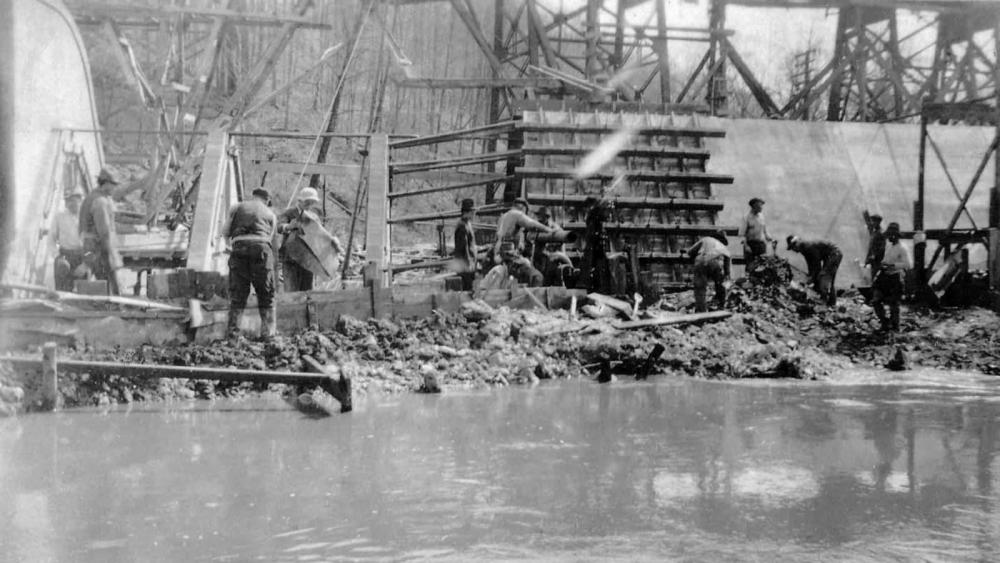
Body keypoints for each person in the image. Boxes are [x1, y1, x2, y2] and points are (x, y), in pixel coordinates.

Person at [222, 188, 278, 339]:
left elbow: (225, 232)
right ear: (267, 200)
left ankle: (233, 335)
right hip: (261, 250)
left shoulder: (236, 207)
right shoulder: (271, 214)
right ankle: (268, 335)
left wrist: (233, 244)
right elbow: (269, 239)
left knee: (238, 294)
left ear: (252, 197)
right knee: (266, 293)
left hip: (239, 248)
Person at [79, 168, 125, 295]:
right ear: (106, 184)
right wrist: (112, 254)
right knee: (110, 282)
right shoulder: (100, 202)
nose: (115, 188)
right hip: (99, 247)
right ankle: (115, 309)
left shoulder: (93, 197)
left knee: (100, 282)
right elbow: (104, 231)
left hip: (90, 246)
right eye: (113, 185)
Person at [277, 187, 323, 292]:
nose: (309, 205)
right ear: (300, 201)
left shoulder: (314, 216)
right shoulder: (289, 213)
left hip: (308, 260)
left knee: (308, 292)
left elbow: (320, 234)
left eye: (312, 203)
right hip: (290, 259)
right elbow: (278, 227)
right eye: (307, 202)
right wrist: (288, 226)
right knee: (291, 291)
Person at [871, 222, 911, 332]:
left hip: (895, 277)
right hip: (884, 276)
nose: (889, 238)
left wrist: (893, 266)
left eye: (891, 235)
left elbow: (908, 264)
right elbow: (884, 260)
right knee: (876, 301)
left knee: (894, 304)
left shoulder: (902, 248)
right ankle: (884, 322)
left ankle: (895, 327)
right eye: (888, 235)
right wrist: (882, 265)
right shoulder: (889, 246)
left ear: (896, 235)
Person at [492, 197, 554, 264]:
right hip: (508, 254)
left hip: (497, 253)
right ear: (523, 207)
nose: (525, 214)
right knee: (528, 265)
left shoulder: (503, 216)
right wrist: (549, 230)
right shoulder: (517, 214)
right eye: (526, 211)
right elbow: (532, 224)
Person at [787, 235, 843, 306]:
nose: (794, 251)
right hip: (831, 254)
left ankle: (824, 301)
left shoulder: (808, 247)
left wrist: (812, 278)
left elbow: (816, 264)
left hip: (834, 254)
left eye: (793, 248)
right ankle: (831, 303)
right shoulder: (803, 249)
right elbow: (810, 263)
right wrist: (811, 276)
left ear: (797, 244)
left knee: (824, 276)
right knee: (826, 277)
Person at [686, 230, 732, 312]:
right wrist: (725, 277)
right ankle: (721, 307)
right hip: (718, 263)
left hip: (702, 260)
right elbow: (727, 271)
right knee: (721, 286)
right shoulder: (725, 248)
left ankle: (701, 311)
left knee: (700, 288)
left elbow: (690, 252)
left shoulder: (706, 239)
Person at [51, 190, 86, 291]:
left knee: (84, 294)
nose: (71, 204)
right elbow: (51, 240)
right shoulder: (59, 217)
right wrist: (58, 256)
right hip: (64, 256)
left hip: (83, 256)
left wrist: (86, 264)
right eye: (68, 201)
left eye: (74, 201)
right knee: (62, 292)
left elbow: (93, 246)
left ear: (81, 201)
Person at [739, 197, 774, 270]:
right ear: (754, 206)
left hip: (761, 245)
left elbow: (765, 231)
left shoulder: (761, 217)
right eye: (760, 206)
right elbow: (742, 235)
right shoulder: (746, 218)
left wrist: (770, 238)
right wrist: (746, 246)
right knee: (750, 266)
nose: (761, 208)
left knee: (762, 266)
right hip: (750, 245)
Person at [452, 198, 478, 291]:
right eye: (473, 211)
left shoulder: (467, 224)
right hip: (465, 265)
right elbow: (464, 247)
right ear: (468, 212)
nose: (474, 213)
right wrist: (468, 263)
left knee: (469, 288)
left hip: (469, 263)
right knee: (466, 289)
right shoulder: (462, 226)